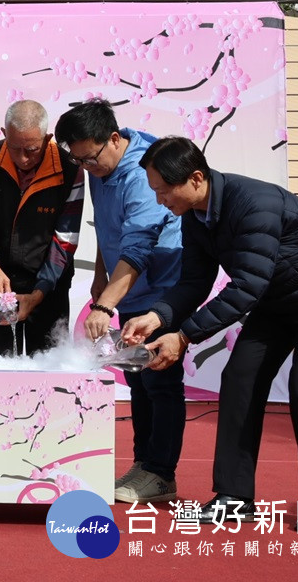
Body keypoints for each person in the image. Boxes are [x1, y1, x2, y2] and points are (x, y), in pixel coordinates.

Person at [123, 136, 298, 531]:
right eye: (154, 191)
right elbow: (193, 282)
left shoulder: (254, 204)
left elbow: (246, 287)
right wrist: (158, 317)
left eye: (164, 190)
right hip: (276, 301)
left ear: (195, 179)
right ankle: (234, 497)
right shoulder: (194, 215)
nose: (160, 201)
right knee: (240, 379)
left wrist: (185, 337)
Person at [54, 99, 183, 504]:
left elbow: (139, 246)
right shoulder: (98, 164)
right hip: (129, 287)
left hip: (160, 287)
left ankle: (160, 473)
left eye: (90, 159)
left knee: (160, 381)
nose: (88, 168)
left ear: (114, 138)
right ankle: (144, 464)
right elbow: (108, 227)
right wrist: (99, 277)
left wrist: (106, 304)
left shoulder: (146, 171)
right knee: (139, 380)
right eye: (80, 162)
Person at [0, 100, 83, 356]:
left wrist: (39, 292)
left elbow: (65, 237)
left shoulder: (70, 169)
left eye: (32, 149)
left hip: (49, 284)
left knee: (48, 367)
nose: (23, 158)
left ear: (47, 139)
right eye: (15, 148)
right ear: (3, 134)